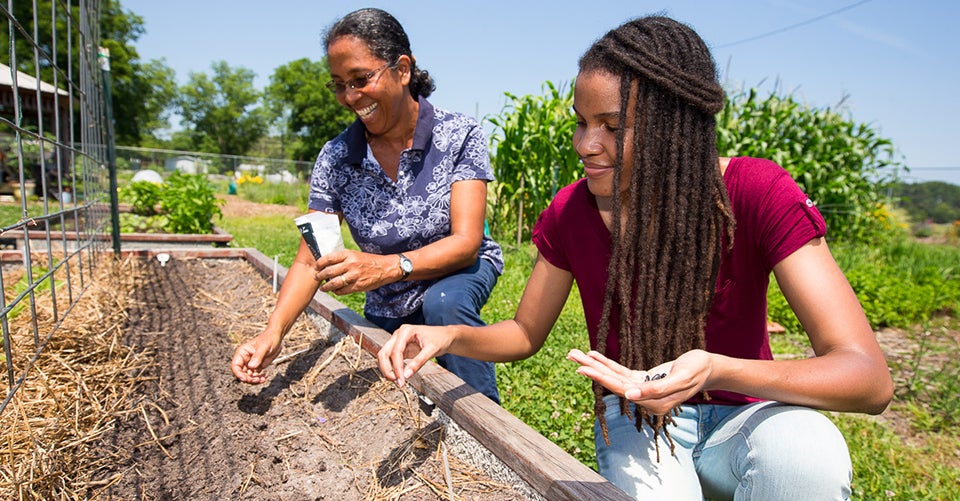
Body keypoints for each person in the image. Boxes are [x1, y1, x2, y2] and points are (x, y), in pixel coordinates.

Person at [377, 15, 893, 499]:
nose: (585, 144)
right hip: (640, 419)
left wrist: (713, 371)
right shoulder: (570, 211)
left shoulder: (757, 192)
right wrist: (450, 335)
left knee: (807, 452)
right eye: (581, 122)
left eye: (612, 126)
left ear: (676, 127)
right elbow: (525, 333)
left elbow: (866, 378)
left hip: (745, 419)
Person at [230, 8, 503, 404]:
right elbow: (310, 261)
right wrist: (272, 334)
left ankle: (488, 426)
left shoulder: (458, 134)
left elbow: (465, 242)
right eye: (339, 85)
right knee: (394, 386)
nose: (350, 97)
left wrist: (386, 266)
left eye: (361, 80)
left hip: (458, 270)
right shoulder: (337, 158)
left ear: (403, 69)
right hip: (388, 293)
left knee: (444, 304)